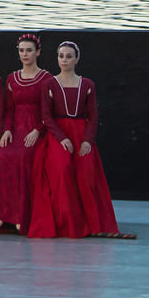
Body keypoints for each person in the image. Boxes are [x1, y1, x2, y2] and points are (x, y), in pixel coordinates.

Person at [28, 41, 121, 238]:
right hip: (58, 135)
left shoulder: (87, 84)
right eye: (61, 56)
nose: (64, 60)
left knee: (85, 173)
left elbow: (93, 116)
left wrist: (87, 140)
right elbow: (46, 116)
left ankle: (89, 223)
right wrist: (61, 138)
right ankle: (65, 223)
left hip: (80, 134)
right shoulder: (49, 84)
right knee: (61, 170)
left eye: (68, 56)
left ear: (76, 59)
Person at [0, 33, 58, 234]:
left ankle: (21, 215)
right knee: (2, 156)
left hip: (35, 129)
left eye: (29, 50)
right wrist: (7, 130)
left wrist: (38, 130)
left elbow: (50, 111)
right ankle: (3, 213)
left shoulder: (46, 78)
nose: (25, 54)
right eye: (21, 51)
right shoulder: (12, 78)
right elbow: (9, 108)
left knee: (24, 157)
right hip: (16, 129)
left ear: (38, 52)